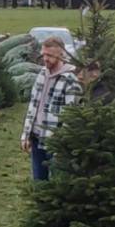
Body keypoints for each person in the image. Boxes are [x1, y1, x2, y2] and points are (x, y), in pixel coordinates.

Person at [22, 36, 81, 181]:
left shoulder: (70, 79)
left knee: (57, 182)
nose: (45, 59)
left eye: (50, 55)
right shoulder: (42, 73)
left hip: (55, 142)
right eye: (44, 54)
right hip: (37, 138)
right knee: (39, 182)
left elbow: (71, 115)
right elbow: (33, 104)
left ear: (61, 55)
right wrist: (26, 134)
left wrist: (62, 144)